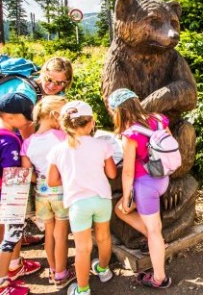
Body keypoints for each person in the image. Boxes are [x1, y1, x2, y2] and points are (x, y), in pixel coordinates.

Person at [0, 56, 74, 259]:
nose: (53, 86)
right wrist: (38, 160)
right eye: (49, 79)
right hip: (0, 138)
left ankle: (13, 241)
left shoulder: (54, 94)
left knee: (13, 191)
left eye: (59, 82)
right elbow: (27, 131)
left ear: (67, 82)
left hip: (15, 140)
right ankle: (1, 247)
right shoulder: (27, 93)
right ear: (43, 73)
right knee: (5, 192)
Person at [47, 100, 118, 295]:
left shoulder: (58, 150)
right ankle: (103, 270)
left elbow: (52, 181)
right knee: (103, 238)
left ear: (64, 124)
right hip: (102, 199)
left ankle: (83, 289)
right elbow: (112, 174)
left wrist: (71, 177)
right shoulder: (102, 145)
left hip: (78, 203)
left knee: (82, 248)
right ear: (91, 122)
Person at [0, 93, 41, 295]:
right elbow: (13, 173)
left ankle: (14, 266)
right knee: (10, 238)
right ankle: (0, 284)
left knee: (15, 234)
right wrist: (37, 178)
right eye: (26, 116)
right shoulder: (9, 142)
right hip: (12, 194)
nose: (30, 120)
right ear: (11, 117)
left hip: (4, 193)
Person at [109, 88, 173, 289]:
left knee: (152, 230)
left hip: (145, 186)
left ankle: (159, 278)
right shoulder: (160, 119)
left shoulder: (131, 134)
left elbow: (127, 172)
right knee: (122, 211)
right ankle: (158, 244)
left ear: (118, 111)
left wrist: (128, 195)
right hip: (163, 179)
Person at [20, 95, 77, 289]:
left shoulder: (27, 143)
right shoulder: (60, 137)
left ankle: (53, 269)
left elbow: (28, 173)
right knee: (62, 234)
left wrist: (42, 179)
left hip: (41, 193)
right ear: (54, 116)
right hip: (61, 189)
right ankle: (62, 273)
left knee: (49, 232)